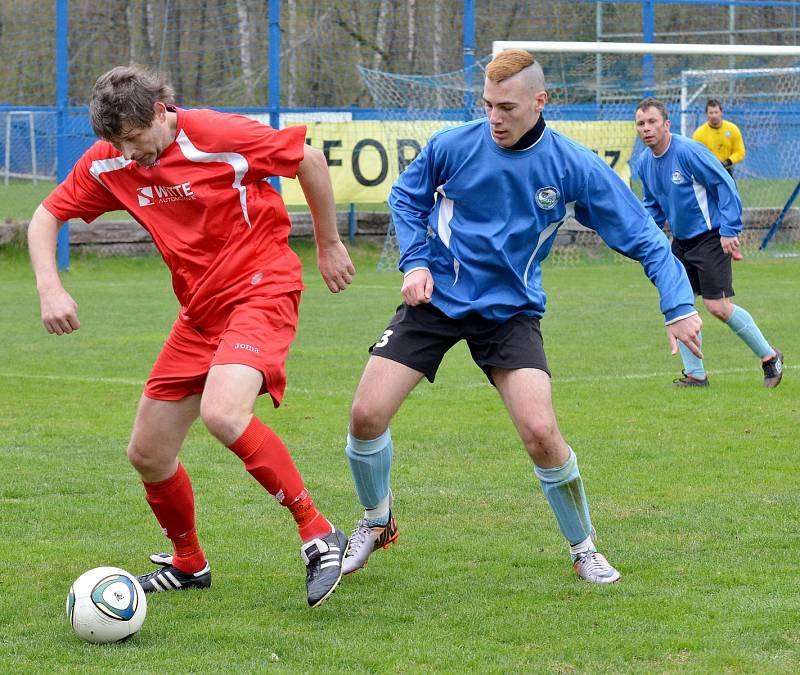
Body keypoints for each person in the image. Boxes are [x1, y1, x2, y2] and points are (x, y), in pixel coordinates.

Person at [338, 49, 704, 586]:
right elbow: (405, 196)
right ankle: (376, 521)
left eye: (506, 107)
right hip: (436, 299)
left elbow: (645, 236)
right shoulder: (453, 145)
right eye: (487, 105)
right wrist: (415, 261)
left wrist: (677, 305)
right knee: (365, 415)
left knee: (540, 430)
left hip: (509, 312)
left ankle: (584, 549)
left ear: (540, 101)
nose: (494, 118)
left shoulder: (571, 164)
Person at [27, 65, 357, 608]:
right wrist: (48, 288)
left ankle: (319, 533)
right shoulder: (112, 159)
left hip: (261, 287)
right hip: (199, 313)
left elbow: (309, 160)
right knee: (148, 454)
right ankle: (188, 563)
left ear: (161, 111)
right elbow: (46, 214)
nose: (129, 154)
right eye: (117, 143)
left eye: (134, 139)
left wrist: (326, 243)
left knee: (224, 414)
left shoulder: (218, 136)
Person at [634, 97, 783, 389]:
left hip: (711, 237)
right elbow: (653, 206)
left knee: (718, 306)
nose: (646, 128)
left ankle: (769, 357)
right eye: (641, 123)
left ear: (667, 124)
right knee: (679, 305)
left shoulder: (689, 152)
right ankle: (696, 375)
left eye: (652, 122)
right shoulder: (644, 163)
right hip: (680, 243)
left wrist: (729, 229)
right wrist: (642, 235)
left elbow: (724, 185)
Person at [692, 99, 746, 260]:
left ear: (721, 112)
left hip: (726, 175)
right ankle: (706, 244)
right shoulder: (699, 134)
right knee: (709, 209)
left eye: (716, 112)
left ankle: (734, 247)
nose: (714, 116)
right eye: (710, 113)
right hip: (706, 178)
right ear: (706, 114)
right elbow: (694, 156)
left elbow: (740, 151)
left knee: (730, 208)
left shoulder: (732, 129)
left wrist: (727, 162)